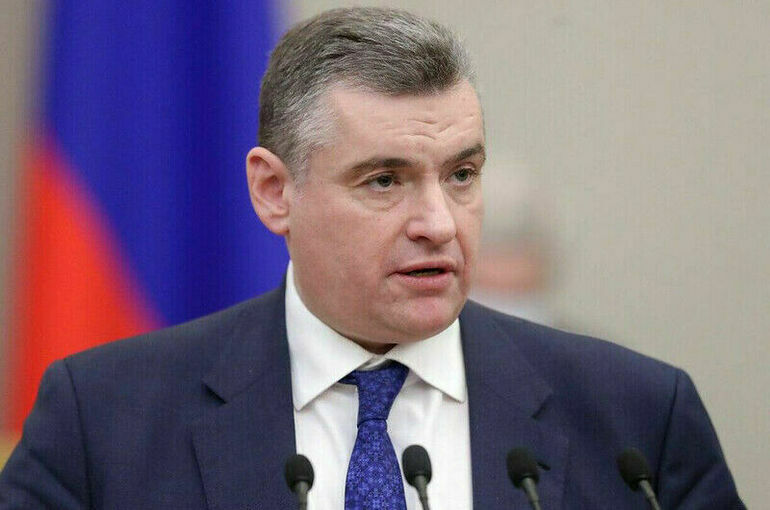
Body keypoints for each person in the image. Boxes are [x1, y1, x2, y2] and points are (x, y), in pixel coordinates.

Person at [0, 7, 744, 509]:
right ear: (274, 192)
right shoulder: (104, 423)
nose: (439, 224)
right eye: (384, 181)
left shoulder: (637, 421)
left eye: (461, 174)